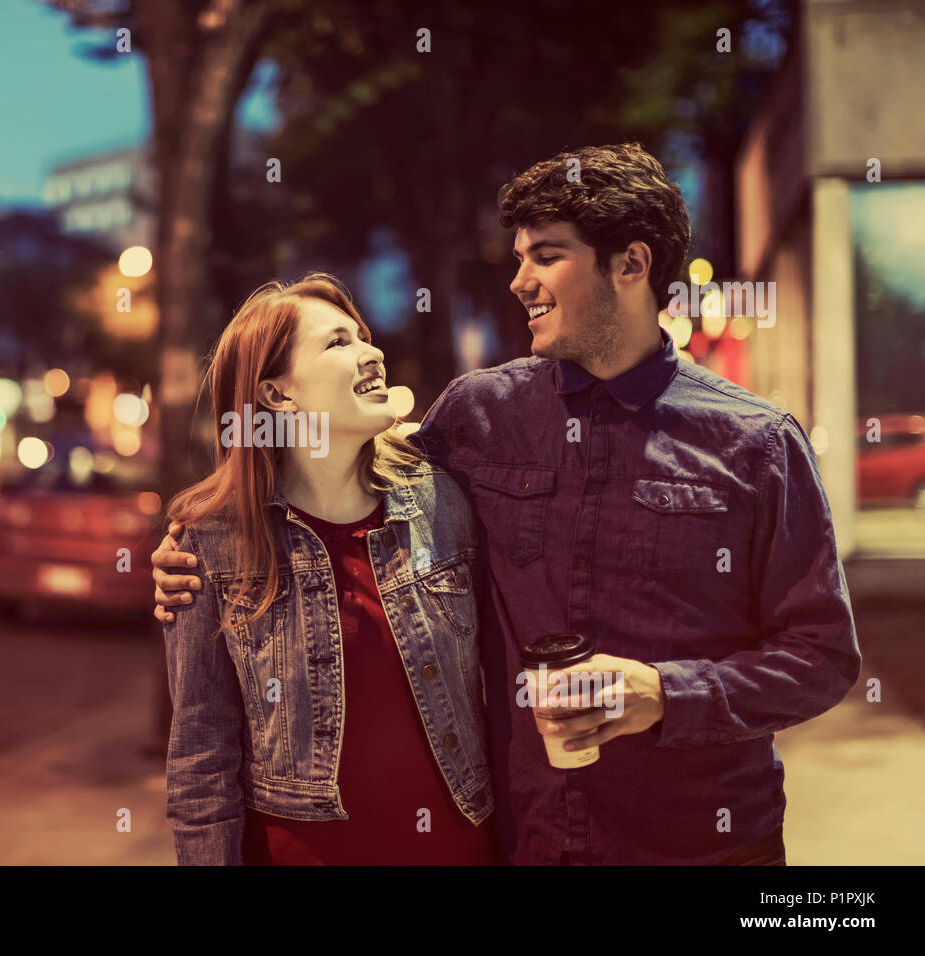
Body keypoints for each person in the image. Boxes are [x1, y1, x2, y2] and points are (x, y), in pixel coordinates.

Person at [154, 143, 862, 865]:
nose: (520, 281)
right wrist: (205, 549)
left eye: (547, 256)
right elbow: (350, 487)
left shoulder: (756, 442)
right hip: (530, 839)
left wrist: (663, 694)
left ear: (632, 264)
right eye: (518, 257)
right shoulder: (478, 416)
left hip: (703, 845)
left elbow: (822, 657)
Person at [161, 273, 501, 865]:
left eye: (364, 336)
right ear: (276, 396)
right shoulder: (211, 542)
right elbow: (201, 759)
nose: (373, 353)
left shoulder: (442, 501)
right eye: (338, 343)